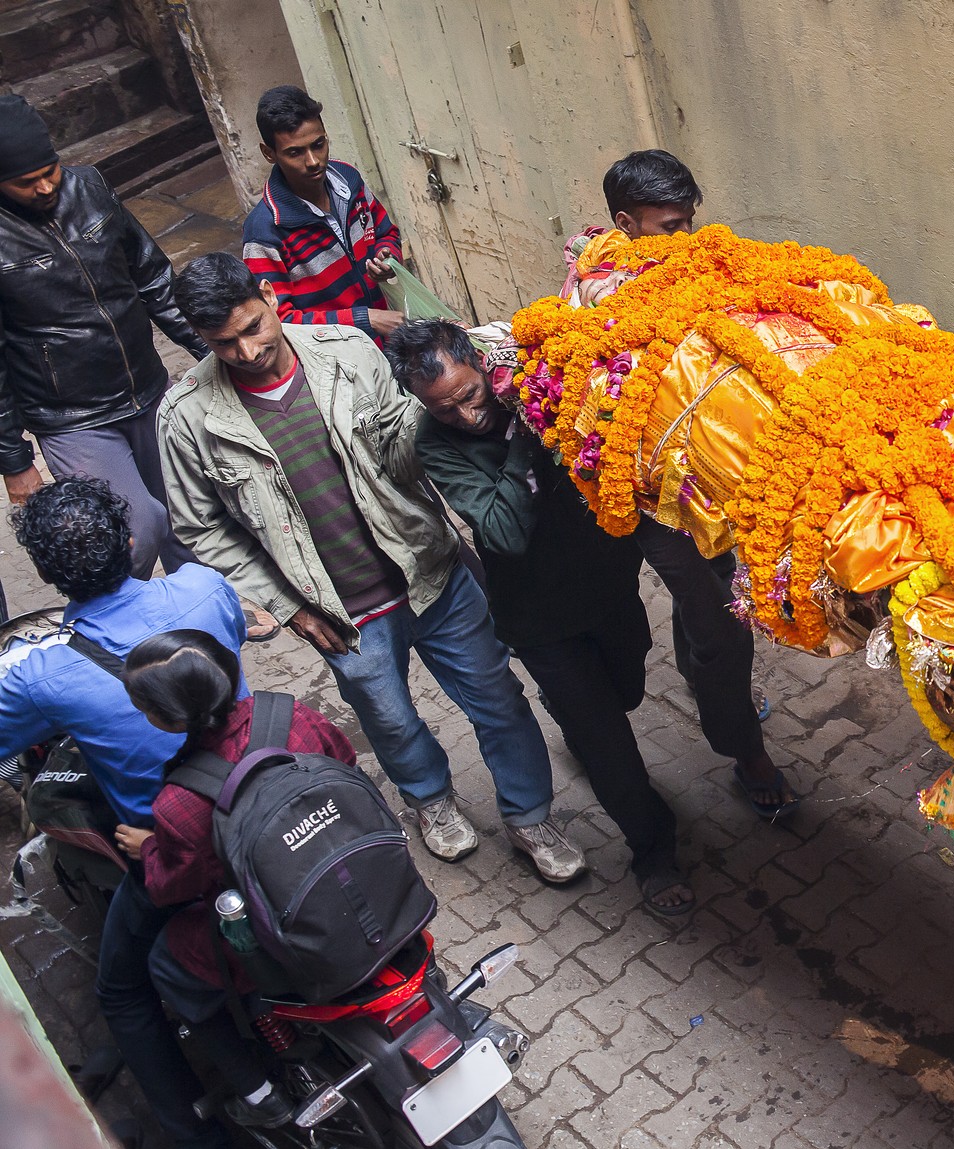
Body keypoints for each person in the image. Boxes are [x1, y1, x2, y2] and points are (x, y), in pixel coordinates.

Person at [159, 252, 584, 883]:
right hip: (339, 613)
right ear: (201, 338)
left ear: (270, 297)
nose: (248, 352)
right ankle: (430, 803)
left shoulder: (350, 352)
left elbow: (411, 445)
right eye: (226, 343)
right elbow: (201, 528)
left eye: (253, 327)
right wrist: (289, 608)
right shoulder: (188, 418)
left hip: (431, 573)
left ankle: (529, 815)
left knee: (500, 700)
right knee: (391, 720)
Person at [388, 319, 694, 915]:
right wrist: (527, 433)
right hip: (539, 618)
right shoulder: (436, 442)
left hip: (608, 585)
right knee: (605, 739)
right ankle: (653, 849)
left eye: (470, 396)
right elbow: (502, 531)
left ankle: (580, 715)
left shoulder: (542, 380)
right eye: (445, 409)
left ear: (480, 363)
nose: (467, 417)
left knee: (627, 688)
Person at [0, 477, 247, 1149]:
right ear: (133, 541)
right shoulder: (202, 587)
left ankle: (196, 1134)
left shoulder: (37, 672)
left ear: (48, 574)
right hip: (257, 799)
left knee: (123, 992)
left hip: (177, 851)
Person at [559, 150, 793, 815]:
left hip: (706, 477)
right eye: (670, 227)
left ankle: (714, 689)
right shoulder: (607, 290)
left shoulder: (681, 263)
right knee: (722, 622)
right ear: (627, 224)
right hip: (649, 497)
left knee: (708, 611)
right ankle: (743, 750)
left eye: (691, 223)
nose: (685, 240)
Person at [114, 630, 357, 1129]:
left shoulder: (181, 800)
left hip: (277, 930)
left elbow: (170, 887)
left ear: (169, 719)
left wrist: (150, 849)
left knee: (166, 961)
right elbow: (348, 769)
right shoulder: (298, 717)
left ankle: (258, 1092)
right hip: (348, 879)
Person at [0, 95, 210, 578]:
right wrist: (15, 460)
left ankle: (199, 610)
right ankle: (119, 633)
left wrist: (208, 349)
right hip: (74, 417)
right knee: (135, 529)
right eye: (25, 182)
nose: (45, 186)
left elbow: (153, 278)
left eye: (49, 170)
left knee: (191, 516)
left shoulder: (89, 185)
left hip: (148, 386)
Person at [241, 85, 404, 341]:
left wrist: (388, 258)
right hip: (338, 362)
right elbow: (278, 319)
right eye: (295, 152)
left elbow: (386, 232)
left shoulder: (349, 181)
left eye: (318, 145)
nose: (313, 161)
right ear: (269, 153)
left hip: (390, 338)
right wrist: (366, 319)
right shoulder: (265, 231)